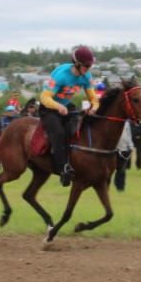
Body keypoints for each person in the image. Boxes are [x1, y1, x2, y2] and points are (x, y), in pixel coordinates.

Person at [40, 45, 100, 186]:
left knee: (75, 130)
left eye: (90, 66)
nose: (88, 69)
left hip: (66, 106)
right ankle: (63, 169)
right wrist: (58, 106)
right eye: (86, 66)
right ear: (77, 64)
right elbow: (44, 97)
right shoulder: (61, 75)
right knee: (59, 133)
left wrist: (94, 107)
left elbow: (94, 98)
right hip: (49, 108)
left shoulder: (86, 76)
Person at [114, 119, 135, 192]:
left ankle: (120, 187)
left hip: (124, 149)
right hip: (114, 149)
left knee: (122, 170)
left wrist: (131, 146)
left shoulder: (127, 123)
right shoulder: (113, 122)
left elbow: (128, 135)